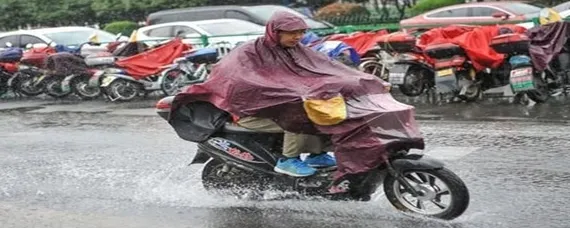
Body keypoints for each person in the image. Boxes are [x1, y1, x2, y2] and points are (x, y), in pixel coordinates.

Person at [233, 19, 336, 177]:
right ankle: (288, 160)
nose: (298, 37)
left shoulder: (296, 50)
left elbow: (324, 67)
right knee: (298, 116)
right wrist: (287, 92)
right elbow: (249, 81)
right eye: (292, 33)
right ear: (276, 32)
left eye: (301, 33)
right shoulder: (252, 52)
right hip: (252, 112)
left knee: (323, 111)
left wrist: (362, 80)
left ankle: (317, 154)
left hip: (278, 107)